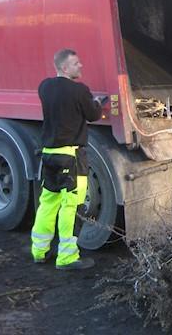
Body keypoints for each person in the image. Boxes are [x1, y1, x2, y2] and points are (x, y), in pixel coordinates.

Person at [31, 48, 105, 270]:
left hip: (49, 156)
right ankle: (67, 258)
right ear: (64, 67)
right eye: (76, 63)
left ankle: (39, 251)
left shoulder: (44, 87)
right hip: (71, 157)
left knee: (48, 203)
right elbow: (92, 114)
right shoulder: (79, 90)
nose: (80, 66)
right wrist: (98, 103)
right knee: (71, 207)